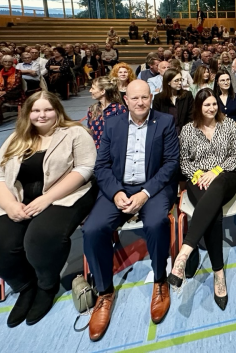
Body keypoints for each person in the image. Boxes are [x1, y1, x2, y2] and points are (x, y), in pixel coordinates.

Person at [0, 91, 97, 328]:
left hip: (66, 195)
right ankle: (24, 285)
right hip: (20, 198)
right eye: (36, 110)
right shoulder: (16, 138)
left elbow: (84, 169)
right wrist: (10, 205)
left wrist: (47, 198)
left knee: (41, 238)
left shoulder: (75, 133)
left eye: (47, 109)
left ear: (57, 110)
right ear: (28, 113)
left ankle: (45, 285)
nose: (42, 115)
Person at [84, 80, 179, 341]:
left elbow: (171, 163)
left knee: (157, 222)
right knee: (93, 230)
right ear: (125, 99)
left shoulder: (165, 122)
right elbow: (101, 166)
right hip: (117, 188)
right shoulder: (112, 124)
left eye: (145, 98)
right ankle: (104, 292)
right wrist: (116, 193)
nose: (140, 103)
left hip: (153, 188)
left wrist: (144, 193)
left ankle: (160, 280)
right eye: (135, 98)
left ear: (151, 98)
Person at [167, 88, 236, 309]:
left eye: (214, 104)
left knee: (217, 186)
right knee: (214, 216)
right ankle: (219, 274)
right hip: (198, 180)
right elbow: (184, 161)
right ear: (198, 107)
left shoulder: (228, 125)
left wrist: (216, 171)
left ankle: (184, 253)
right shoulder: (189, 130)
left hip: (227, 176)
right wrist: (199, 174)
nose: (211, 108)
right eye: (207, 105)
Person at [0, 55, 24, 133]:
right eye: (5, 61)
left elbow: (17, 86)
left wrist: (4, 92)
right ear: (2, 62)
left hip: (13, 93)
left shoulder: (17, 72)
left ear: (12, 63)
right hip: (1, 92)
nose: (8, 63)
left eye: (10, 62)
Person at [87, 76, 127, 149]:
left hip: (114, 151)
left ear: (102, 91)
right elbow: (90, 132)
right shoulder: (92, 109)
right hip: (97, 152)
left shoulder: (119, 109)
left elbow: (124, 134)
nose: (90, 91)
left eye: (93, 88)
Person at [152, 68, 194, 137]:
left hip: (185, 133)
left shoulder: (187, 95)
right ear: (168, 82)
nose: (180, 83)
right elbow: (156, 119)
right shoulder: (159, 98)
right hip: (166, 134)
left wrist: (185, 133)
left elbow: (191, 116)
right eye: (176, 81)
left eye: (181, 80)